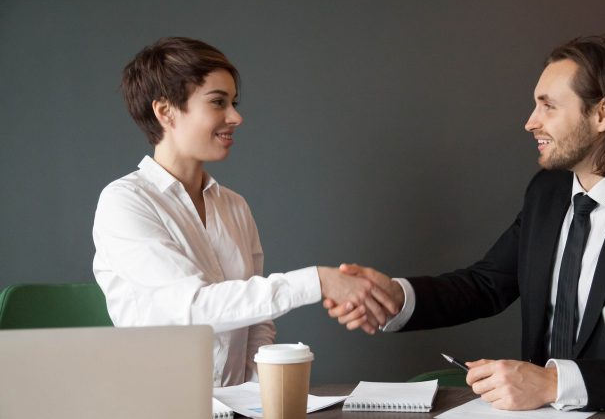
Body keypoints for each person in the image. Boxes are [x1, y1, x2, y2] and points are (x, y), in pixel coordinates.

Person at [324, 34, 605, 412]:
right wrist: (397, 297)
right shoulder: (547, 194)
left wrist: (555, 383)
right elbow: (486, 284)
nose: (530, 122)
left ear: (602, 114)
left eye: (548, 106)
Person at [92, 37, 398, 387]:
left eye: (233, 102)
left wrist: (255, 397)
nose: (236, 117)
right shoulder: (125, 202)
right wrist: (318, 280)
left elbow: (257, 323)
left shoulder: (234, 206)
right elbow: (193, 310)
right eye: (218, 102)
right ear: (165, 112)